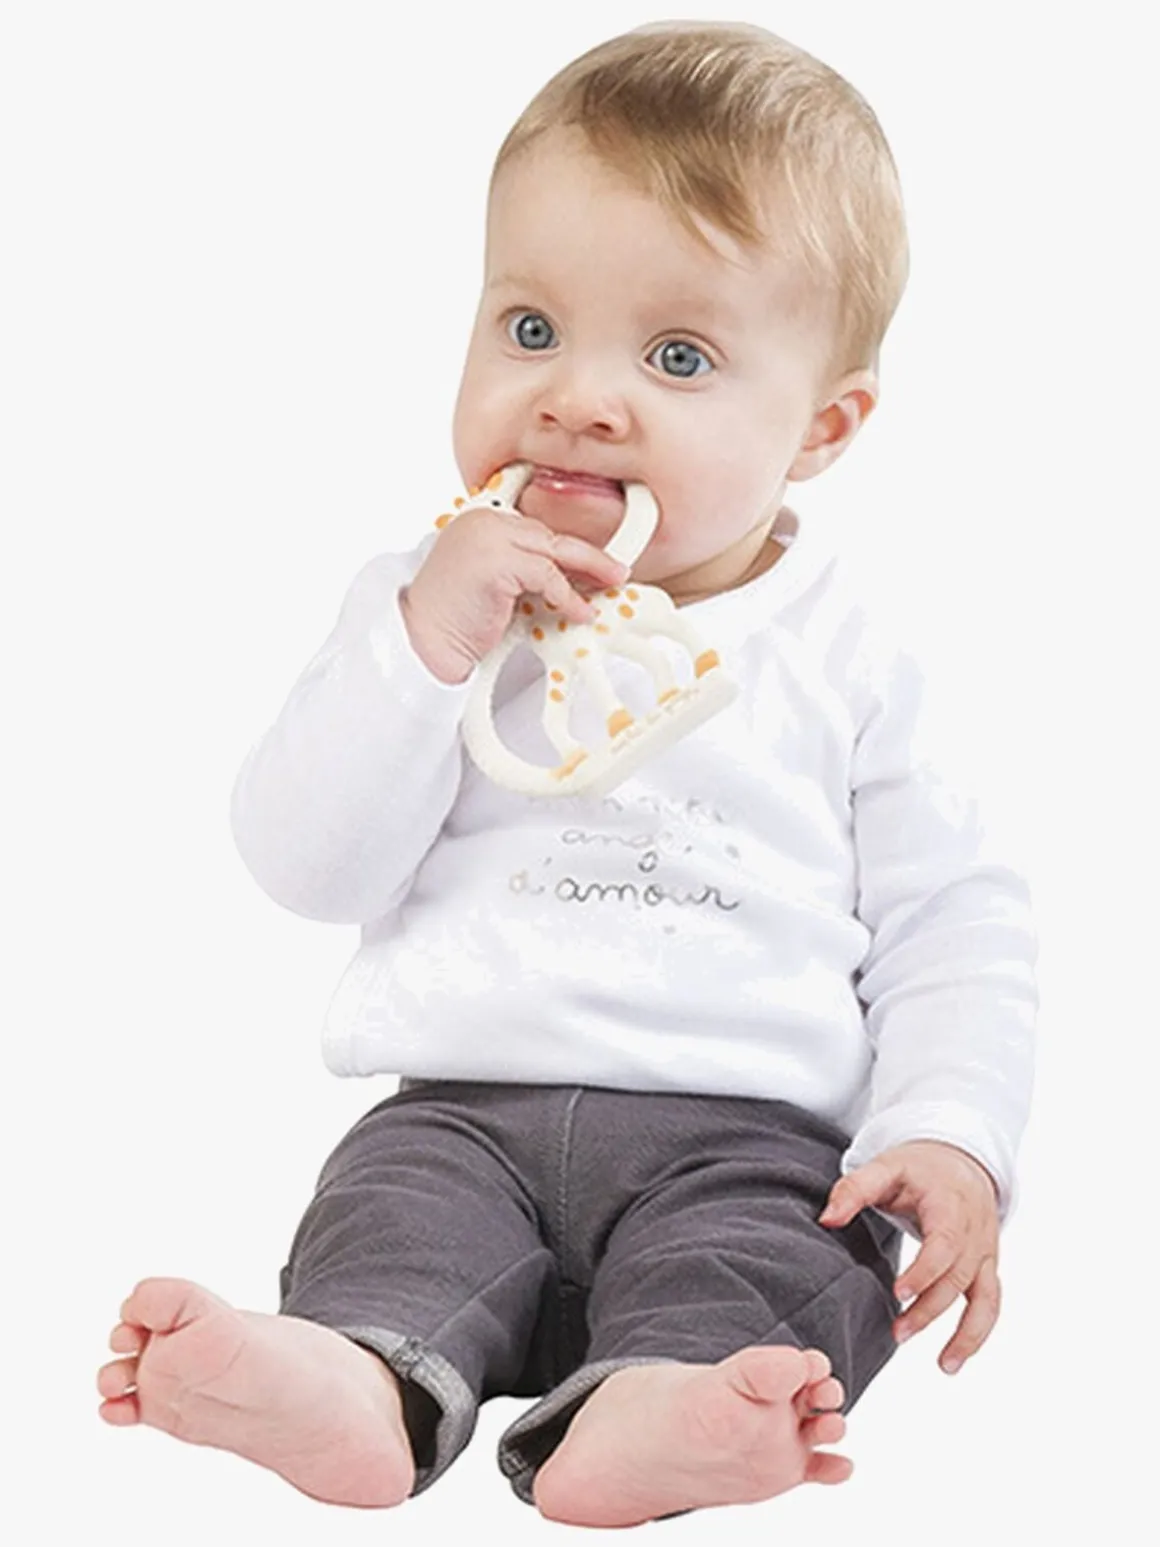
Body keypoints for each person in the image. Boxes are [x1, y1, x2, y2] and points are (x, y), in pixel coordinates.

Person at [95, 20, 1037, 1528]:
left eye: (678, 358)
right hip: (461, 1112)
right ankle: (357, 1381)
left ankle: (664, 1406)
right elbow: (302, 867)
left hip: (750, 1137)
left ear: (824, 427)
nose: (580, 397)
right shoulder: (428, 604)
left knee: (788, 1261)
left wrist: (948, 1129)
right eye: (531, 327)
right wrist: (430, 641)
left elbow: (957, 924)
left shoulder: (853, 655)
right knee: (392, 1219)